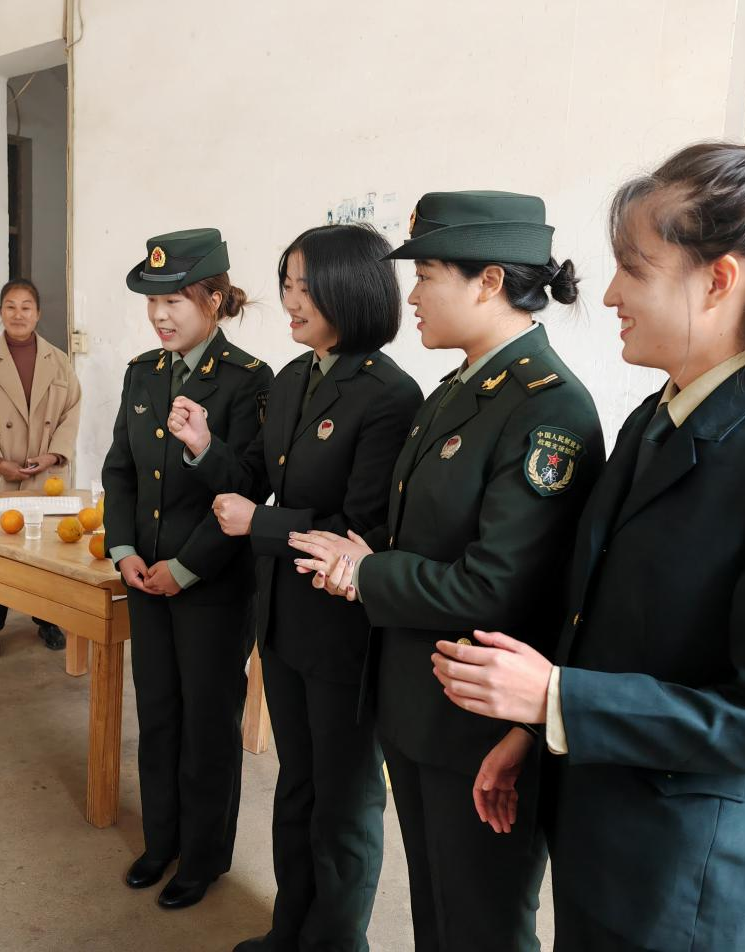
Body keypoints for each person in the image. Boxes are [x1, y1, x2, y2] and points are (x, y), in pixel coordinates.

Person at [430, 121, 745, 951]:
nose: (610, 296)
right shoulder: (654, 418)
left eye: (634, 269)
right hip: (602, 837)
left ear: (717, 280)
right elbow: (605, 619)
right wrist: (536, 729)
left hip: (689, 884)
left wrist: (558, 700)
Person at [288, 192, 604, 951]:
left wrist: (367, 574)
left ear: (488, 281)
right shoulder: (458, 390)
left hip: (478, 724)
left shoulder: (546, 410)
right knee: (436, 912)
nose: (412, 297)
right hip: (416, 703)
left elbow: (495, 585)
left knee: (481, 922)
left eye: (426, 275)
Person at [169, 223, 422, 952]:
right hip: (282, 619)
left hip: (342, 628)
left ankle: (335, 941)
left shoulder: (388, 394)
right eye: (287, 283)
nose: (290, 300)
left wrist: (262, 525)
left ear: (352, 291)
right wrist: (206, 449)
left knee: (344, 801)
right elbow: (254, 481)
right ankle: (290, 930)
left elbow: (363, 529)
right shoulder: (291, 379)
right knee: (297, 784)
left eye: (305, 287)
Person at [101, 227, 273, 910]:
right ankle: (161, 840)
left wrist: (186, 566)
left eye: (173, 300)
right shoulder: (143, 371)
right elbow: (120, 470)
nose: (160, 315)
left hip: (211, 587)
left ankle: (201, 858)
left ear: (214, 299)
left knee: (207, 724)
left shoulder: (248, 381)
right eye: (153, 301)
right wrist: (124, 551)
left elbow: (249, 487)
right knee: (158, 715)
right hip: (146, 578)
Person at [0, 277, 82, 657]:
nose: (18, 314)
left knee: (47, 550)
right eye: (10, 306)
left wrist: (53, 456)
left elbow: (71, 413)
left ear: (38, 313)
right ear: (0, 312)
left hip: (45, 475)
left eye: (26, 307)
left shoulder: (58, 362)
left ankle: (47, 619)